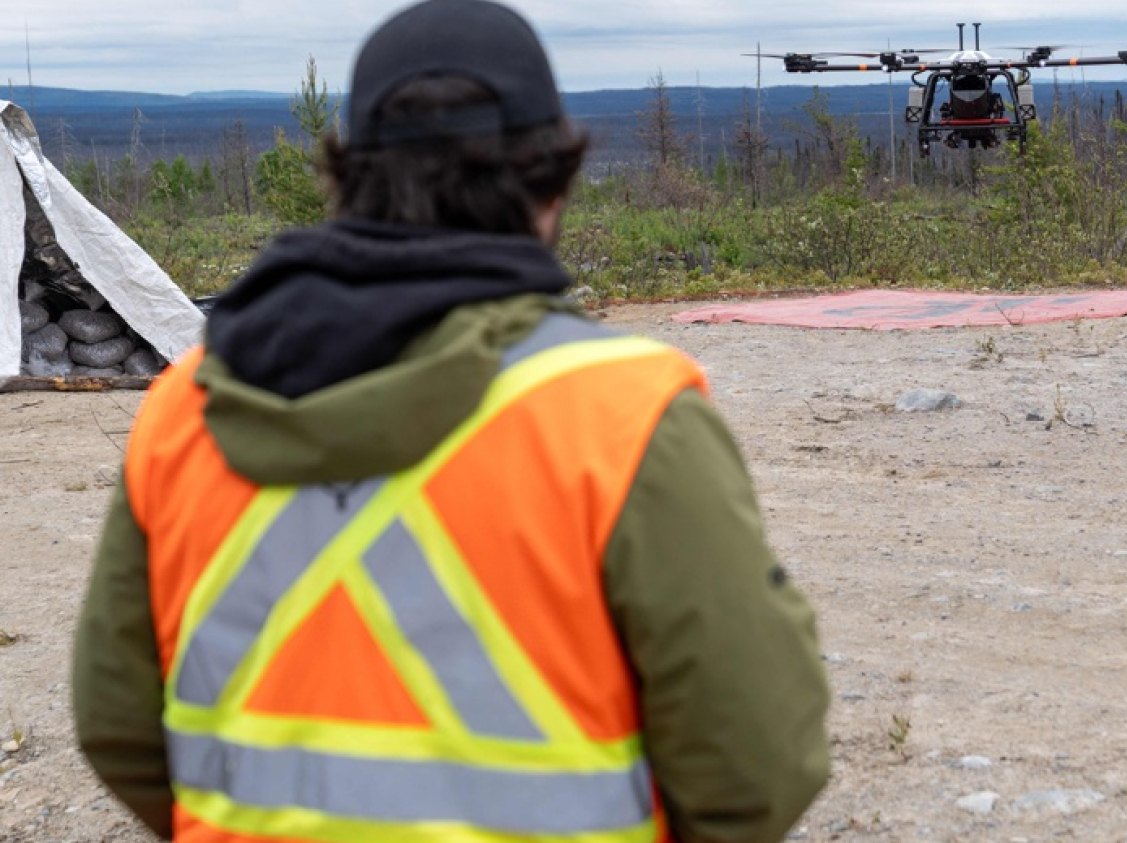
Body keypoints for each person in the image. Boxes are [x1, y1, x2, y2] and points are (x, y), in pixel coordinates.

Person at [71, 1, 830, 841]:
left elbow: (117, 725)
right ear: (555, 180)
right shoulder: (625, 418)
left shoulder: (187, 407)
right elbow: (755, 766)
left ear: (345, 176)